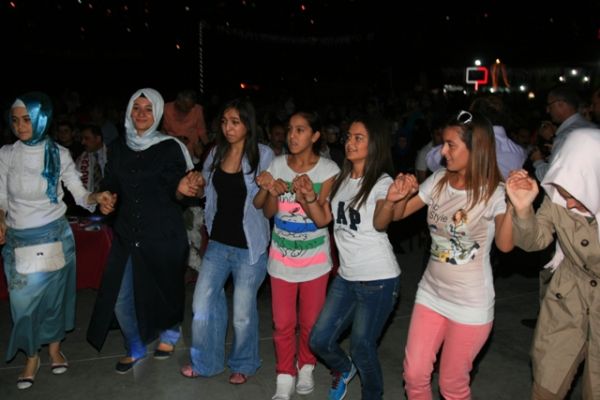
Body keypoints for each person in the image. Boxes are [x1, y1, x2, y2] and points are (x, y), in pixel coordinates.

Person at [391, 110, 513, 399]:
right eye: (442, 143)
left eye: (450, 145)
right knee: (414, 375)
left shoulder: (496, 193)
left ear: (476, 148)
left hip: (470, 305)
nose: (442, 152)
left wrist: (516, 206)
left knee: (452, 385)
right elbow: (398, 214)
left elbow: (506, 245)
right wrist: (397, 196)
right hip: (430, 294)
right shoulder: (439, 180)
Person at [0, 91, 113, 389]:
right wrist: (0, 218)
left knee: (54, 301)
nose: (20, 126)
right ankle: (31, 356)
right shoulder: (6, 154)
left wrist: (97, 197)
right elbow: (1, 196)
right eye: (15, 120)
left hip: (53, 236)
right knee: (22, 306)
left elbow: (79, 193)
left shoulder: (59, 153)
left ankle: (53, 350)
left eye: (27, 119)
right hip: (19, 240)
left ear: (42, 119)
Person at [86, 88, 200, 373]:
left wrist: (183, 188)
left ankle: (170, 332)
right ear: (128, 111)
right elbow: (111, 181)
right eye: (136, 107)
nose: (141, 114)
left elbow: (178, 187)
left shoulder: (170, 147)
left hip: (163, 234)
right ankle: (135, 345)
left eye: (148, 109)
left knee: (166, 290)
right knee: (119, 296)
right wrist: (106, 197)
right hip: (128, 233)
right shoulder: (118, 147)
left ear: (158, 113)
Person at [306, 116, 402, 400]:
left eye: (359, 138)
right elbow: (323, 219)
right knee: (319, 339)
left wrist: (392, 200)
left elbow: (381, 222)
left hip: (378, 279)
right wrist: (307, 198)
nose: (350, 142)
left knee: (362, 346)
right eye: (349, 137)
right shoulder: (341, 180)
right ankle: (344, 368)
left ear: (375, 144)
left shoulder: (382, 182)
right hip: (346, 278)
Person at [180, 98, 274, 384]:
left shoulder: (263, 154)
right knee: (202, 304)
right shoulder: (215, 153)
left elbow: (264, 202)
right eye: (224, 122)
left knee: (243, 314)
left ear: (248, 124)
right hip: (218, 243)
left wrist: (267, 186)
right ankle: (206, 362)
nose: (228, 128)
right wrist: (196, 184)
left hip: (249, 246)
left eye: (235, 122)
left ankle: (244, 363)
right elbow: (204, 192)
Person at [506, 128, 600, 399]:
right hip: (567, 297)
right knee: (547, 383)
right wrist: (523, 209)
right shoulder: (558, 196)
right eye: (563, 193)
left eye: (577, 196)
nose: (568, 203)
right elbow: (535, 240)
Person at [253, 111, 339, 399]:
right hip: (281, 259)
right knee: (282, 323)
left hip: (315, 261)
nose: (292, 135)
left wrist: (307, 196)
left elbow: (322, 219)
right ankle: (284, 374)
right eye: (290, 129)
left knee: (311, 323)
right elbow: (268, 213)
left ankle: (306, 367)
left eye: (300, 130)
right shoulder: (278, 164)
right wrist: (271, 191)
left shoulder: (328, 170)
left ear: (315, 136)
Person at [162, 88, 208, 161]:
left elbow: (202, 131)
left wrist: (208, 148)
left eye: (191, 106)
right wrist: (175, 139)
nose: (189, 109)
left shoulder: (197, 109)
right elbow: (163, 131)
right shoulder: (166, 109)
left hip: (192, 147)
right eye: (186, 106)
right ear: (178, 102)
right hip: (172, 145)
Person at [75, 124, 107, 193]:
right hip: (91, 197)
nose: (83, 142)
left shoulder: (113, 154)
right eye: (82, 139)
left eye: (87, 138)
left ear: (98, 139)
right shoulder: (81, 159)